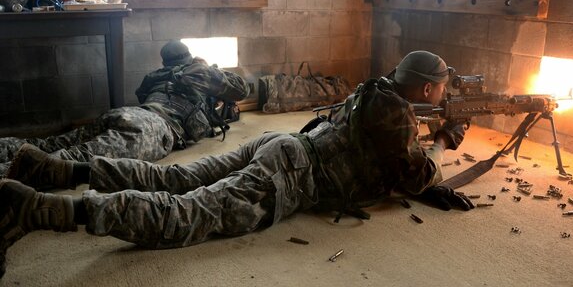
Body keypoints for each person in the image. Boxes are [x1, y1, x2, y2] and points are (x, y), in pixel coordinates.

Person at [0, 50, 472, 278]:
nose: (445, 93)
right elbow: (418, 176)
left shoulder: (376, 89)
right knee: (186, 215)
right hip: (287, 175)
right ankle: (44, 209)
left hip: (276, 146)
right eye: (443, 87)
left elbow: (385, 145)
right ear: (428, 89)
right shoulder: (398, 116)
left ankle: (61, 171)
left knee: (176, 176)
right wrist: (444, 144)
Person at [0, 40, 250, 177]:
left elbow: (141, 94)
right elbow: (242, 90)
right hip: (153, 127)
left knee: (55, 143)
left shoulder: (156, 75)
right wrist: (210, 72)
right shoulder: (201, 74)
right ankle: (6, 173)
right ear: (190, 57)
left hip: (126, 113)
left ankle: (7, 146)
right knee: (71, 161)